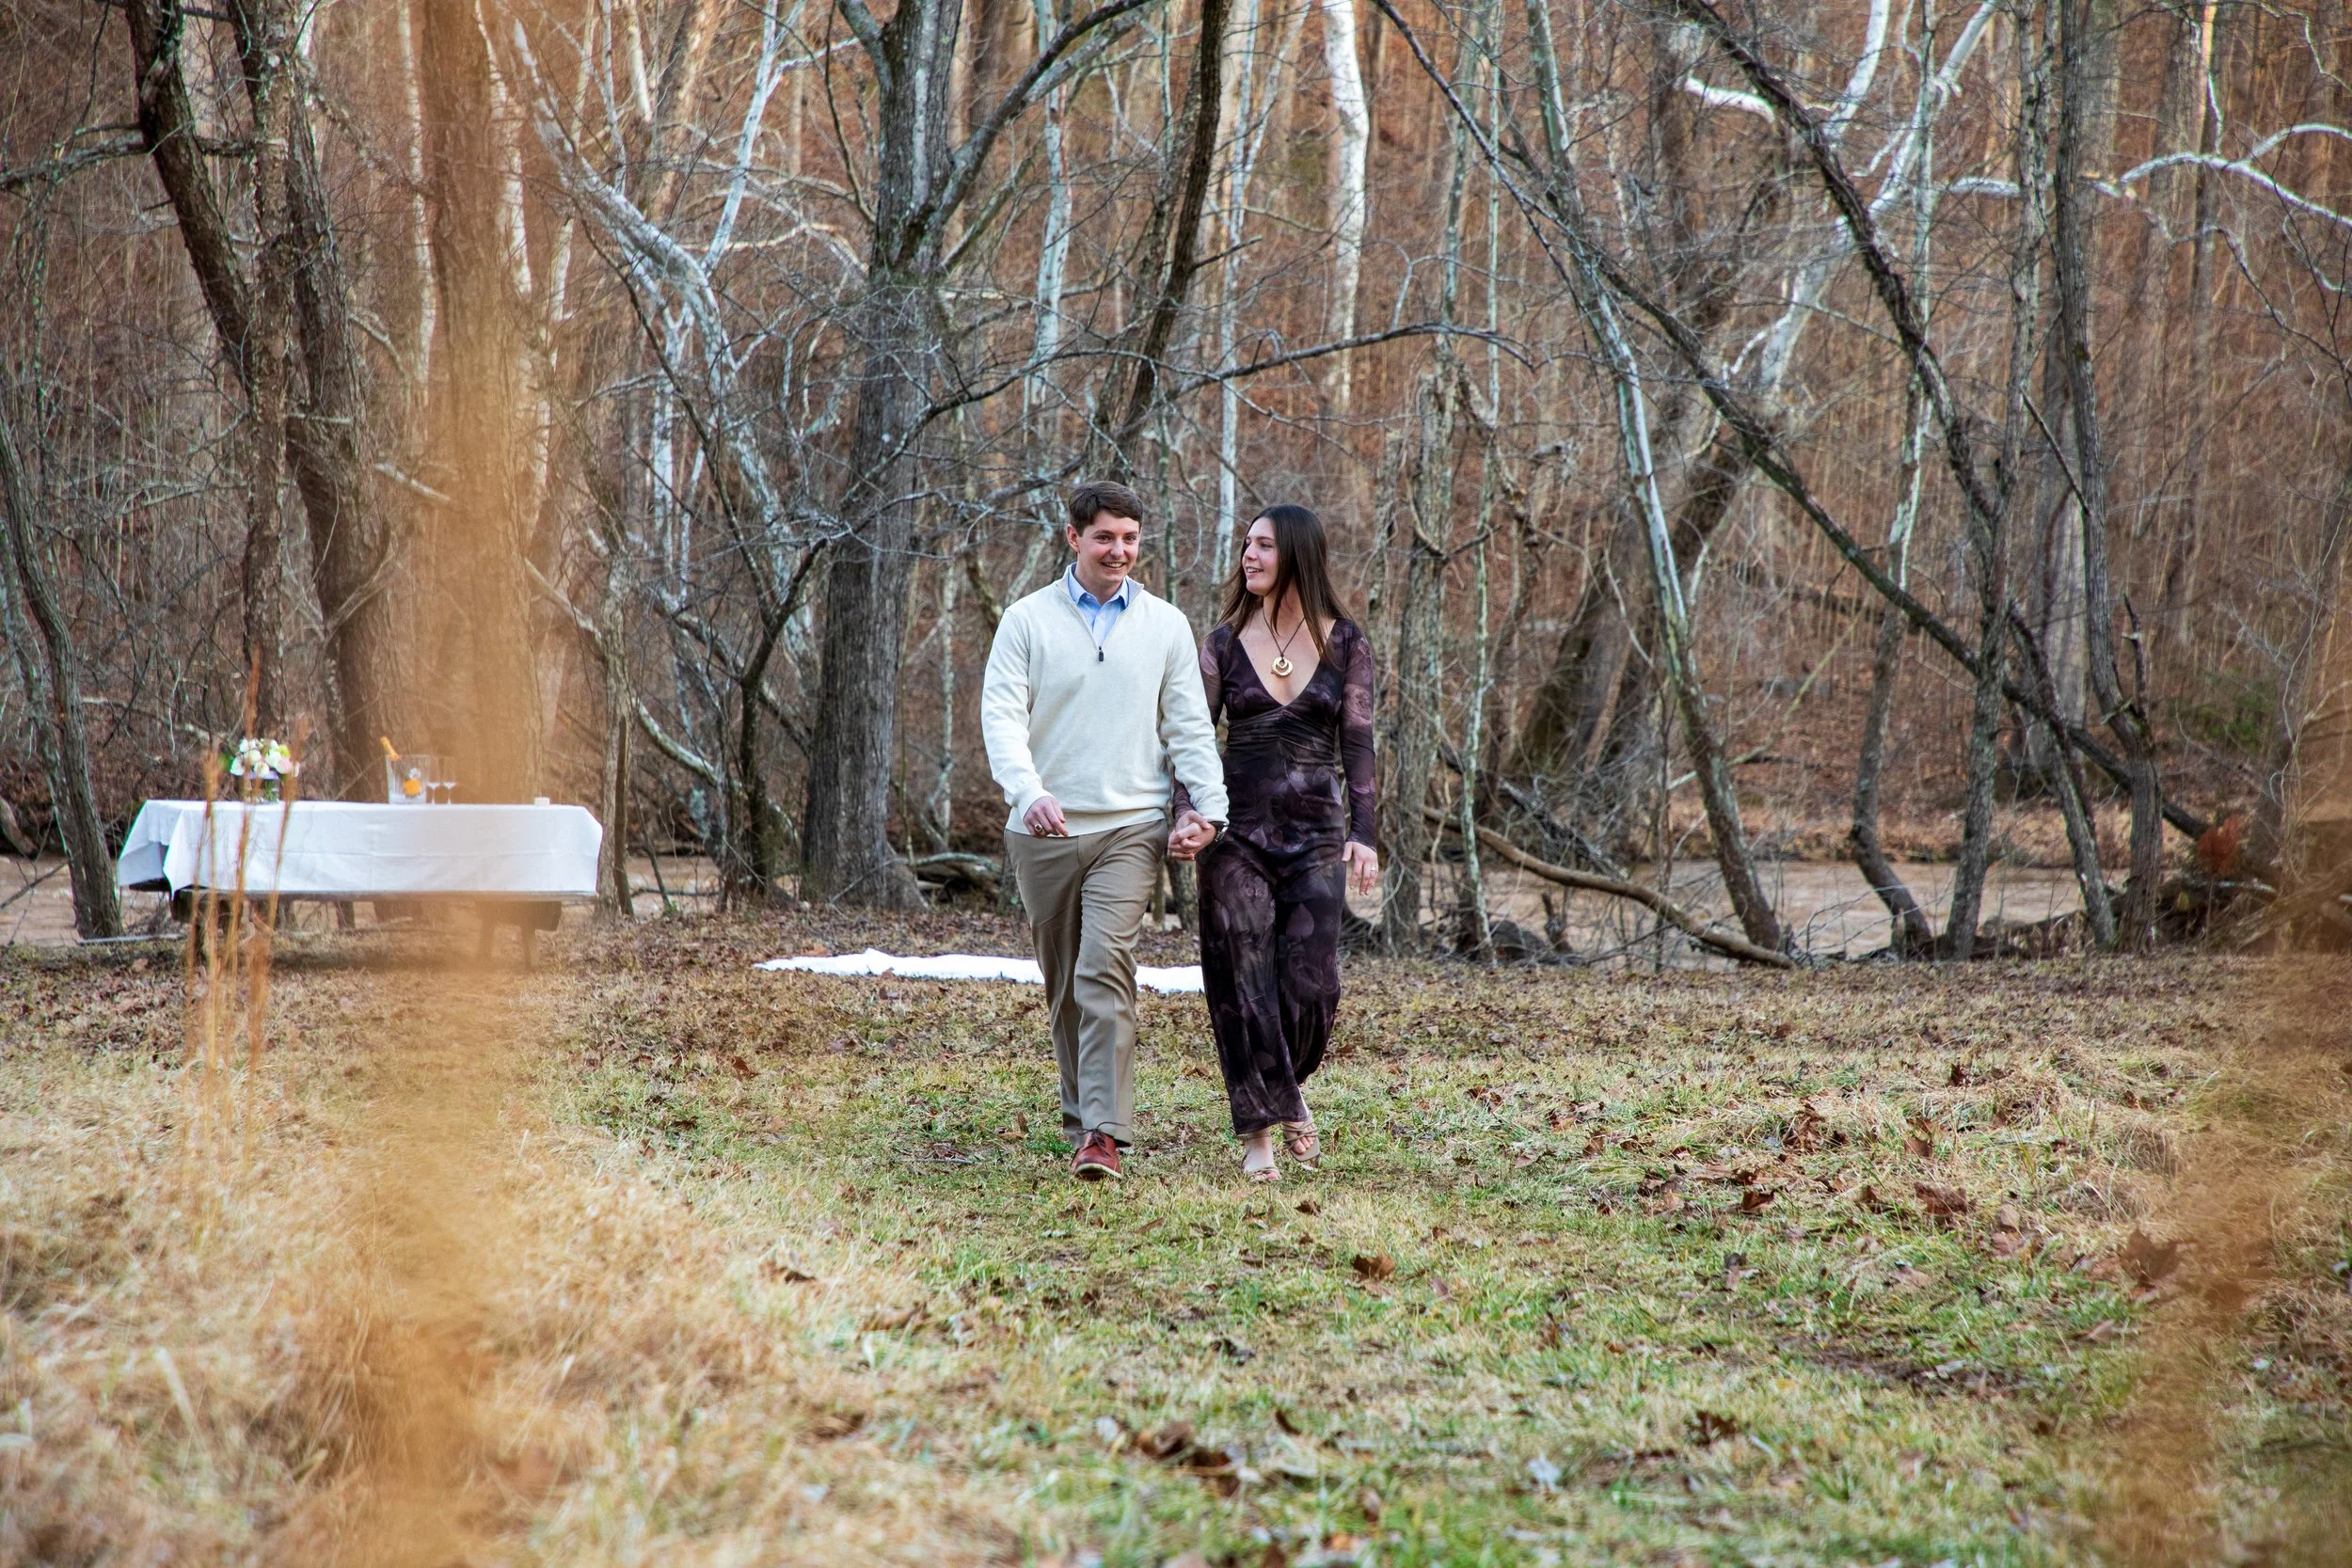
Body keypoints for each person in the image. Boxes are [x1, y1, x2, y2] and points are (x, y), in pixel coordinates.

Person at [981, 481, 1227, 1182]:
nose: (1119, 550)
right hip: (1044, 831)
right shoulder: (1026, 621)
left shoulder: (1164, 625)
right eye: (1105, 537)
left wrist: (1205, 810)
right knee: (1064, 984)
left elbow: (1187, 727)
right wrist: (1027, 793)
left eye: (1130, 538)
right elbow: (1002, 717)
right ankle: (1081, 1118)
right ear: (1073, 538)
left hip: (1130, 827)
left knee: (1103, 966)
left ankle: (1104, 1133)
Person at [1170, 504, 1377, 1183]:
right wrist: (1186, 813)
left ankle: (1287, 1083)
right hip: (1235, 832)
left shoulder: (1345, 642)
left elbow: (1359, 745)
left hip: (1317, 833)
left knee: (1313, 985)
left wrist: (1365, 834)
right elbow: (1191, 738)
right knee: (1243, 974)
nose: (1248, 556)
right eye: (1245, 544)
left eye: (1263, 544)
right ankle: (1258, 1132)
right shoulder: (1223, 642)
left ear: (1296, 553)